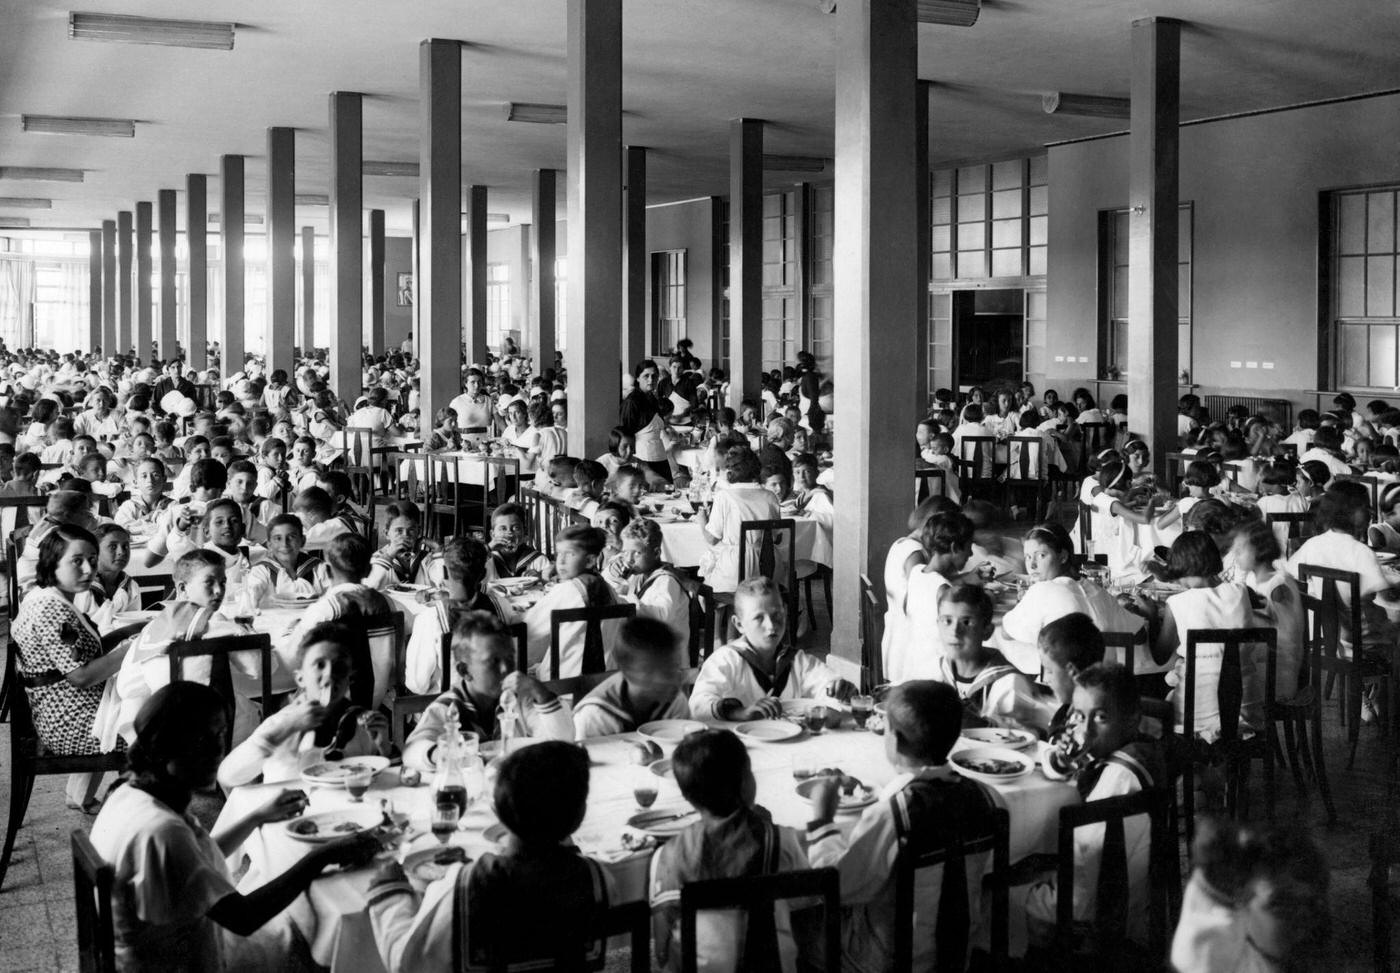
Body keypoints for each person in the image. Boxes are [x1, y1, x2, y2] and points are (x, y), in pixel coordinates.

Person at [91, 682, 378, 972]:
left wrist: (257, 817)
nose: (218, 750)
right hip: (176, 964)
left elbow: (191, 862)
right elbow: (244, 917)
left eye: (220, 735)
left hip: (145, 952)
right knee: (318, 935)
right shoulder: (163, 831)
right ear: (166, 747)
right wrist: (321, 856)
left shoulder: (129, 791)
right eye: (203, 740)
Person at [370, 741, 612, 971]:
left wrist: (390, 893)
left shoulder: (466, 886)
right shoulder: (597, 878)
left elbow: (407, 963)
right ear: (579, 817)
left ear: (496, 807)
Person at [806, 681, 997, 971]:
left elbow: (838, 886)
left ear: (893, 740)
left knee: (796, 919)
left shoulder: (893, 815)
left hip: (889, 959)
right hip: (958, 955)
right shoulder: (988, 798)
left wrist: (822, 821)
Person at [1026, 664, 1165, 948]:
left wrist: (1037, 879)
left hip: (1102, 915)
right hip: (1113, 895)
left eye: (1101, 717)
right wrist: (1065, 758)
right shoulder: (1131, 748)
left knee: (999, 895)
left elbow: (1087, 872)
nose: (1085, 729)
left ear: (1131, 720)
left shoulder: (1121, 776)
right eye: (1078, 716)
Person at [650, 729, 810, 972]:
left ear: (686, 796)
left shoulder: (667, 856)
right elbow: (805, 898)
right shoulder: (779, 840)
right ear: (746, 782)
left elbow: (661, 946)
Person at [12, 522, 131, 808]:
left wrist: (130, 631)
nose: (89, 570)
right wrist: (131, 649)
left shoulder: (48, 597)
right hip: (68, 723)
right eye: (76, 561)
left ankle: (85, 797)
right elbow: (81, 676)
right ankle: (128, 809)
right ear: (52, 563)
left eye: (92, 560)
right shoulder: (50, 609)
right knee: (156, 730)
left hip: (65, 708)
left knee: (143, 704)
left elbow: (85, 651)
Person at [218, 622, 390, 787]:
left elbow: (385, 780)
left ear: (349, 678)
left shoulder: (361, 723)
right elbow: (227, 777)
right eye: (319, 665)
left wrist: (384, 747)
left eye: (339, 666)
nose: (329, 674)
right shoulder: (282, 722)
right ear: (300, 678)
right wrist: (287, 727)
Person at [402, 612, 574, 773]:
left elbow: (563, 742)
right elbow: (411, 751)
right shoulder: (448, 707)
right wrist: (442, 753)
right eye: (493, 661)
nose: (505, 668)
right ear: (464, 671)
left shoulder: (520, 698)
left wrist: (541, 693)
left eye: (509, 658)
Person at [1170, 818, 1330, 973]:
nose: (1300, 917)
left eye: (1312, 903)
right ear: (1242, 910)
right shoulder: (1224, 957)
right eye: (1281, 904)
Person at [689, 577, 854, 719]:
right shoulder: (725, 660)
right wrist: (738, 712)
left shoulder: (798, 661)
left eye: (777, 615)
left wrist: (840, 691)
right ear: (739, 624)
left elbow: (825, 684)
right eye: (759, 618)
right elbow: (698, 705)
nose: (771, 625)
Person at [998, 522, 1147, 675]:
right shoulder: (1099, 591)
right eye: (1028, 557)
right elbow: (1140, 635)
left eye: (1041, 555)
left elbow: (1006, 632)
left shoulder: (1042, 590)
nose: (1032, 565)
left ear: (1063, 556)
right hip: (1103, 689)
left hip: (1062, 691)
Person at [934, 584, 1043, 732]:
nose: (955, 631)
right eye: (947, 621)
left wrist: (970, 721)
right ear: (937, 624)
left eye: (966, 622)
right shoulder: (935, 670)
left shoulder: (1009, 684)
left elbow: (1022, 742)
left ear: (987, 631)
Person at [524, 525, 625, 680]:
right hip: (605, 681)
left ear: (590, 560)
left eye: (570, 554)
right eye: (559, 554)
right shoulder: (608, 588)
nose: (561, 561)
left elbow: (530, 628)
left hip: (564, 685)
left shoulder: (567, 590)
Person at [404, 536, 497, 694]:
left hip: (448, 708)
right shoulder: (501, 605)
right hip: (494, 706)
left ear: (445, 573)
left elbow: (417, 685)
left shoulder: (431, 619)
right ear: (483, 575)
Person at [574, 616, 690, 738]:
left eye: (676, 667)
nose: (677, 678)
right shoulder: (594, 717)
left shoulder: (674, 701)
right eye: (666, 671)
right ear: (635, 671)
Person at [894, 510, 975, 683]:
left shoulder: (917, 572)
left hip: (913, 664)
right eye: (969, 547)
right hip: (936, 673)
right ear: (954, 548)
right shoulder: (943, 589)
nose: (971, 554)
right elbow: (956, 635)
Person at [699, 445, 781, 595]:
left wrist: (701, 519)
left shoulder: (724, 496)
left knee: (705, 586)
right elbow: (776, 536)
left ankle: (726, 615)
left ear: (730, 471)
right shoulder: (770, 496)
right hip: (770, 571)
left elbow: (712, 539)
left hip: (738, 571)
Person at [614, 517, 692, 654]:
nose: (629, 559)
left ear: (656, 553)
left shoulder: (666, 581)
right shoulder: (639, 575)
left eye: (637, 553)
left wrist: (625, 601)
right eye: (625, 552)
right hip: (648, 648)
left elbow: (661, 618)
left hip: (666, 659)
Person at [246, 514, 325, 605]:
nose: (284, 544)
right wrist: (256, 592)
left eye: (291, 537)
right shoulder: (261, 570)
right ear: (269, 545)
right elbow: (254, 589)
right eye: (278, 538)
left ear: (302, 541)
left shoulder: (319, 568)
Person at [366, 501, 443, 590]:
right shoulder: (377, 559)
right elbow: (369, 588)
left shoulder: (426, 559)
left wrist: (438, 550)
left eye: (411, 530)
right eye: (399, 530)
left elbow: (443, 584)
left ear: (419, 532)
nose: (405, 535)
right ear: (386, 533)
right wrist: (388, 556)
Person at [620, 359, 672, 483]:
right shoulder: (632, 401)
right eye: (646, 376)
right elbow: (626, 432)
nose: (651, 380)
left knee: (667, 491)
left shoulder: (652, 399)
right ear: (638, 378)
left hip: (659, 454)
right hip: (643, 457)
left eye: (654, 376)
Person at [485, 501, 552, 579]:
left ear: (525, 531)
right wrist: (488, 548)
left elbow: (553, 587)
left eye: (515, 528)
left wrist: (541, 578)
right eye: (503, 528)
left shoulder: (538, 560)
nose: (509, 533)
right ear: (492, 534)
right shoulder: (485, 559)